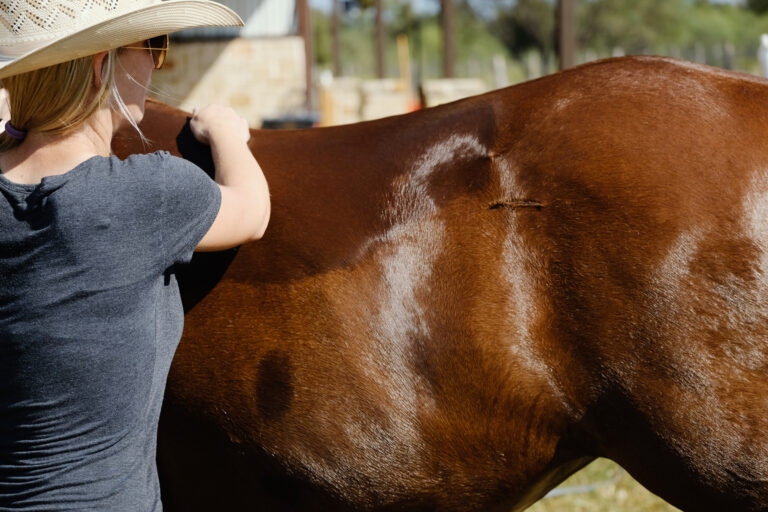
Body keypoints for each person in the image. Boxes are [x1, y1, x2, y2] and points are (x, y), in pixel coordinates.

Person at [0, 1, 270, 510]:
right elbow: (252, 213)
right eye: (154, 45)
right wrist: (228, 136)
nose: (156, 63)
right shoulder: (148, 194)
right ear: (103, 65)